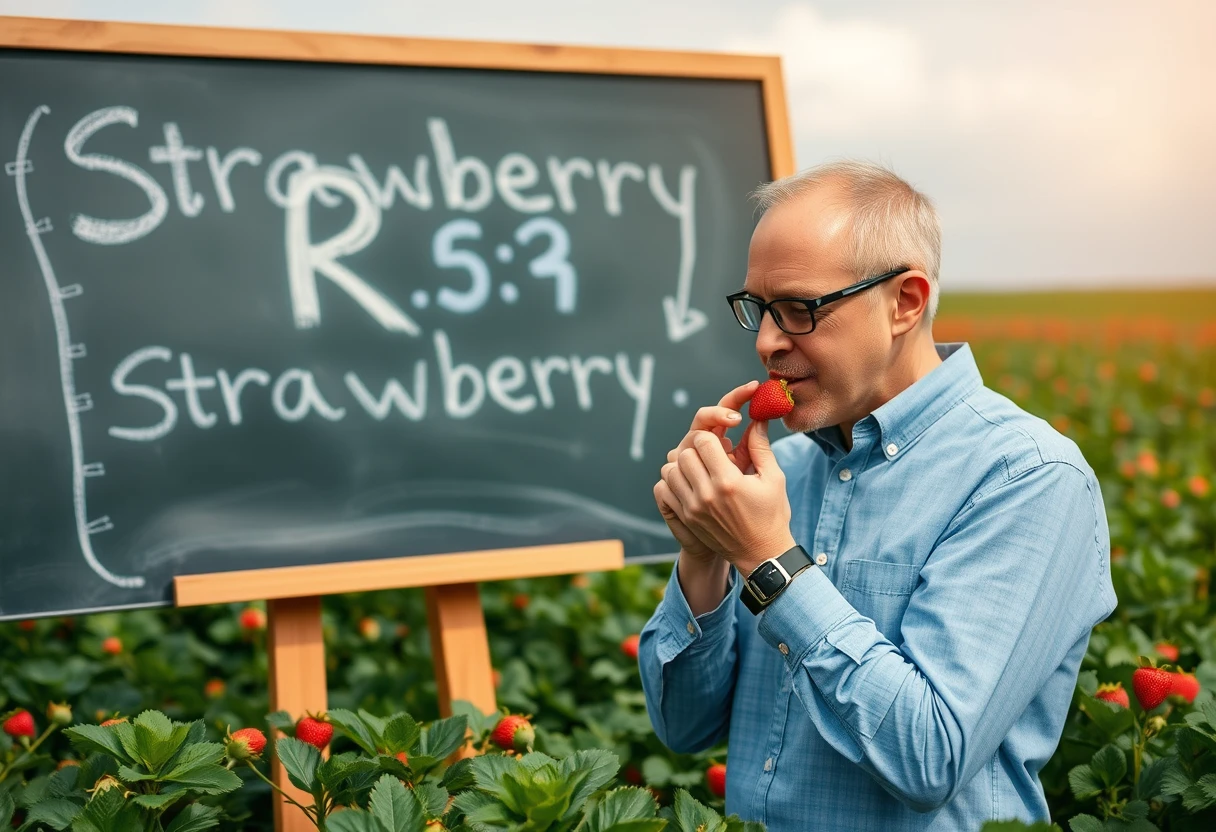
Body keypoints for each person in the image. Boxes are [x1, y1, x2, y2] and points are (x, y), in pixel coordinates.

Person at [638, 160, 1118, 831]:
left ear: (906, 302)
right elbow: (683, 728)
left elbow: (931, 758)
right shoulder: (787, 470)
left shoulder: (1025, 477)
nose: (769, 341)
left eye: (800, 310)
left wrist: (769, 559)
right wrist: (704, 555)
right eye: (758, 308)